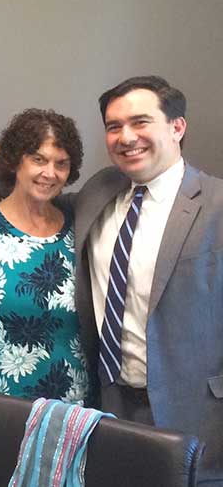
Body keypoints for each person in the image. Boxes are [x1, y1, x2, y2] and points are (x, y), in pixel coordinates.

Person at [75, 76, 223, 483]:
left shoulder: (216, 204)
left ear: (177, 127)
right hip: (111, 407)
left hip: (199, 416)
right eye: (113, 126)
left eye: (140, 122)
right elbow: (34, 189)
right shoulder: (98, 192)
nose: (126, 137)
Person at [0, 109, 91, 404]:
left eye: (61, 164)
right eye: (38, 159)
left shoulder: (80, 230)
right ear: (15, 160)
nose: (49, 173)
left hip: (72, 412)